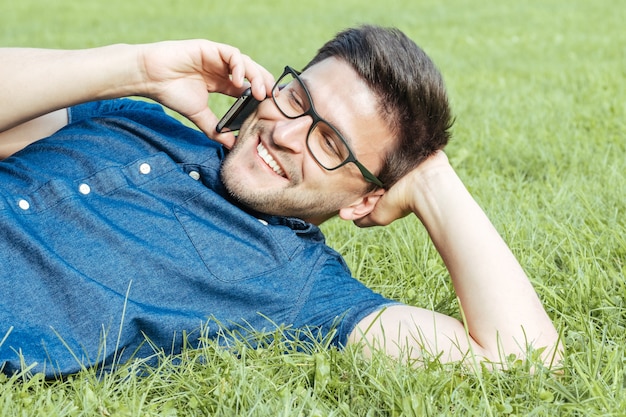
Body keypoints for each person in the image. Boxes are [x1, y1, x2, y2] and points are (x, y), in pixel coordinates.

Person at [0, 25, 560, 378]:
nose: (287, 133)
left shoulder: (299, 286)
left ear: (365, 200)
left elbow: (524, 359)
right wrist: (137, 70)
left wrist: (433, 182)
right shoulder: (138, 115)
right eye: (298, 100)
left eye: (330, 143)